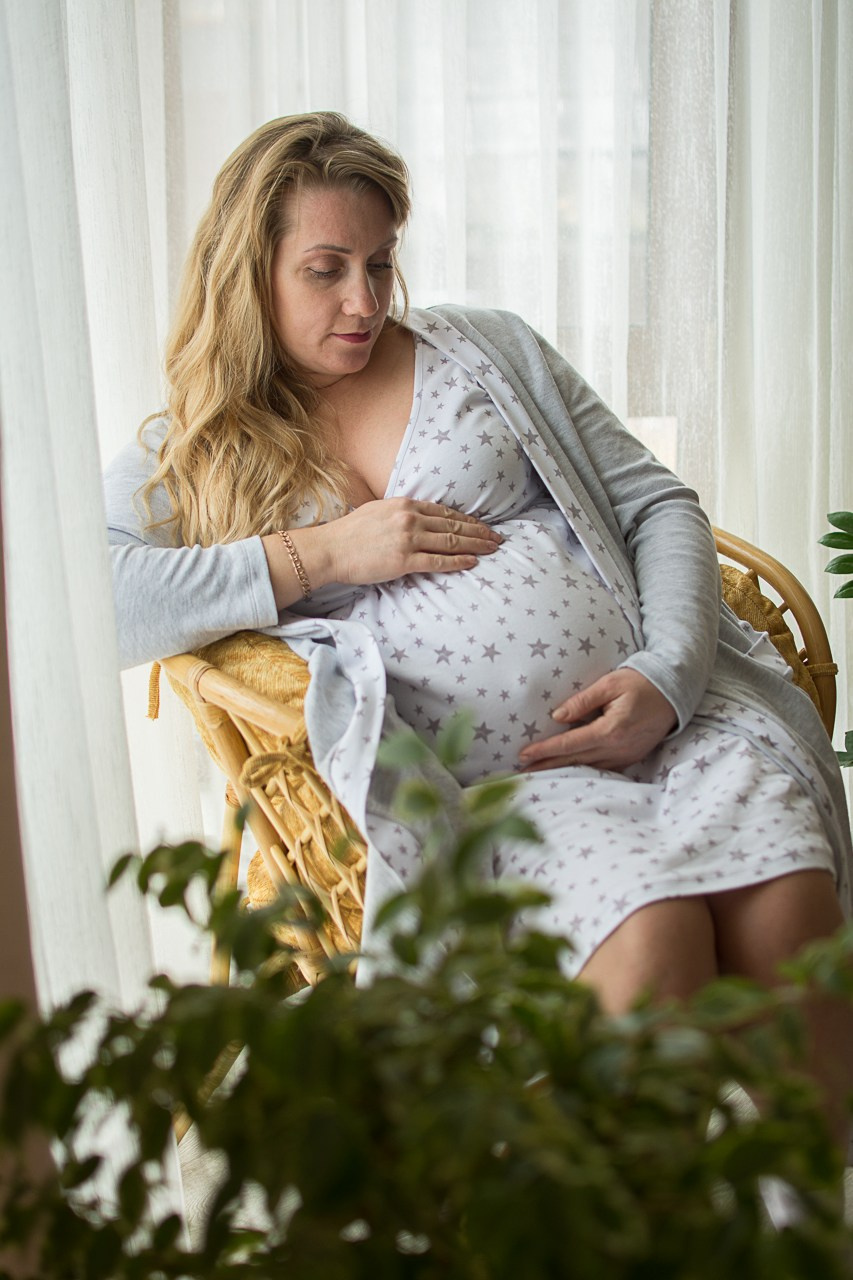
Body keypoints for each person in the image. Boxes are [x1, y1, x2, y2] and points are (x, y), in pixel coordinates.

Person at [105, 111, 853, 1149]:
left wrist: (666, 675)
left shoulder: (483, 349)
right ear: (249, 273)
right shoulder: (201, 452)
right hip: (499, 788)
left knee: (786, 910)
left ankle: (811, 1214)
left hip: (680, 725)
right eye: (326, 269)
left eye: (379, 262)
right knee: (658, 941)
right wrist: (325, 556)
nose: (364, 301)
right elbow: (91, 595)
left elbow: (658, 505)